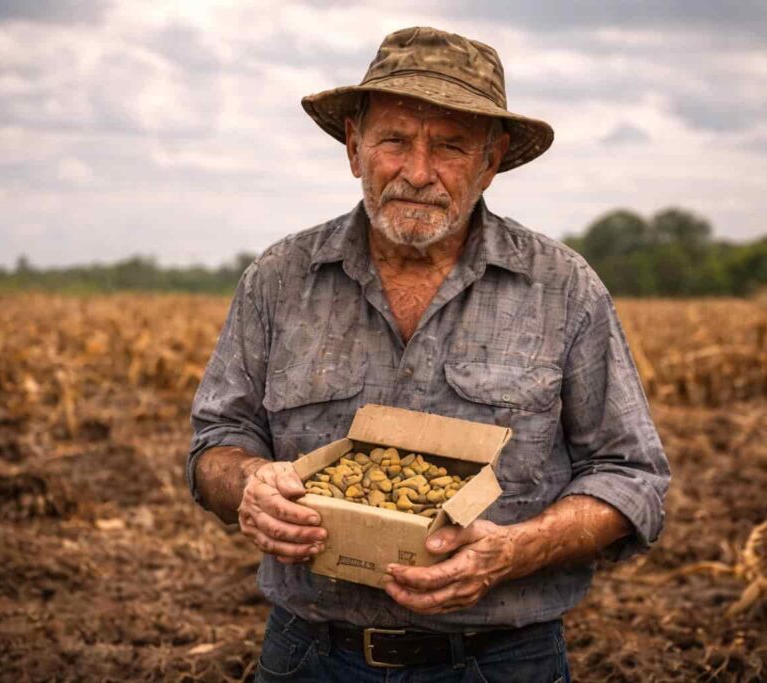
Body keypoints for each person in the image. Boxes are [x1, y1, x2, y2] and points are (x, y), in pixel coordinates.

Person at [188, 26, 670, 682]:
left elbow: (631, 474)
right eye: (394, 140)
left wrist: (512, 551)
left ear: (490, 160)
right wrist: (249, 484)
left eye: (449, 146)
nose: (418, 172)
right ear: (355, 148)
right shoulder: (279, 278)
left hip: (500, 660)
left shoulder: (563, 288)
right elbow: (217, 439)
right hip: (310, 655)